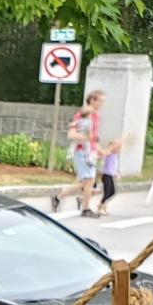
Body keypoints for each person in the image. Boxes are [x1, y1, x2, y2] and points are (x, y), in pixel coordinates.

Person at [52, 88, 105, 217]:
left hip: (89, 152)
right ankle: (85, 208)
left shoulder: (96, 116)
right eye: (100, 101)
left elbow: (93, 137)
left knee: (86, 182)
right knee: (89, 180)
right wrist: (87, 139)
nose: (102, 105)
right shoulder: (81, 115)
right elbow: (72, 134)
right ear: (92, 100)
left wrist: (98, 150)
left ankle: (58, 197)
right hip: (81, 151)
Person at [92, 134, 124, 215]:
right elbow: (103, 153)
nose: (119, 149)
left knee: (112, 192)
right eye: (118, 147)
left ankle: (102, 205)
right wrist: (96, 146)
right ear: (113, 147)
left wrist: (116, 173)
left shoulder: (115, 155)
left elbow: (112, 168)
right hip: (106, 176)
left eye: (119, 147)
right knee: (107, 192)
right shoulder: (109, 153)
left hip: (110, 176)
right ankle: (100, 207)